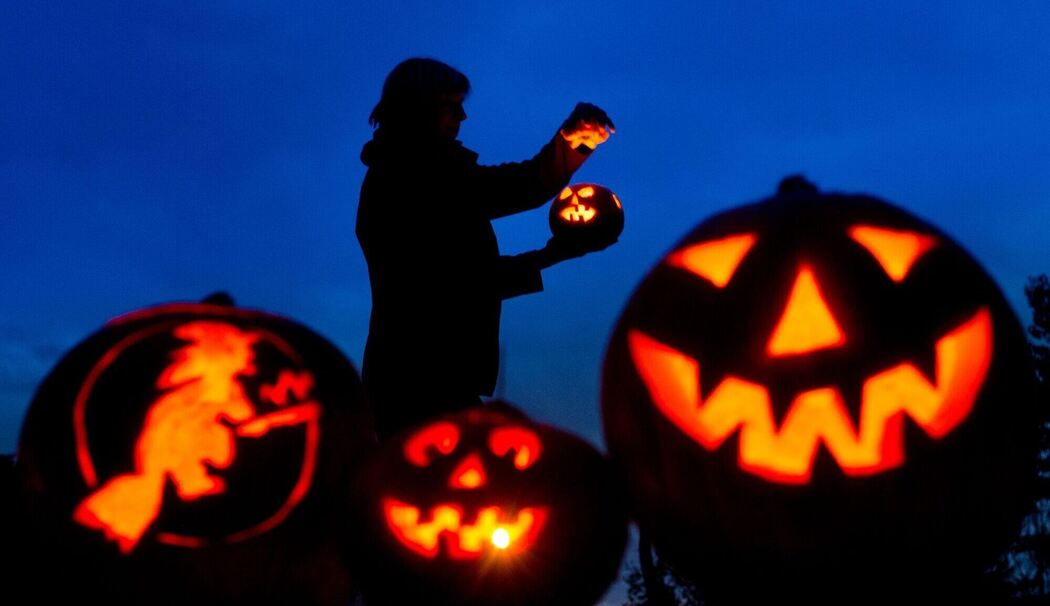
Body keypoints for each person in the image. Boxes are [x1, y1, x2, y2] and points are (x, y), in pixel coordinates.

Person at [356, 57, 617, 439]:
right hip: (422, 374)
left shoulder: (415, 173)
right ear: (419, 107)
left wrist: (570, 143)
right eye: (451, 104)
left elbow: (465, 277)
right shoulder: (413, 180)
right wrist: (553, 253)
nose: (462, 115)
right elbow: (455, 284)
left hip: (425, 374)